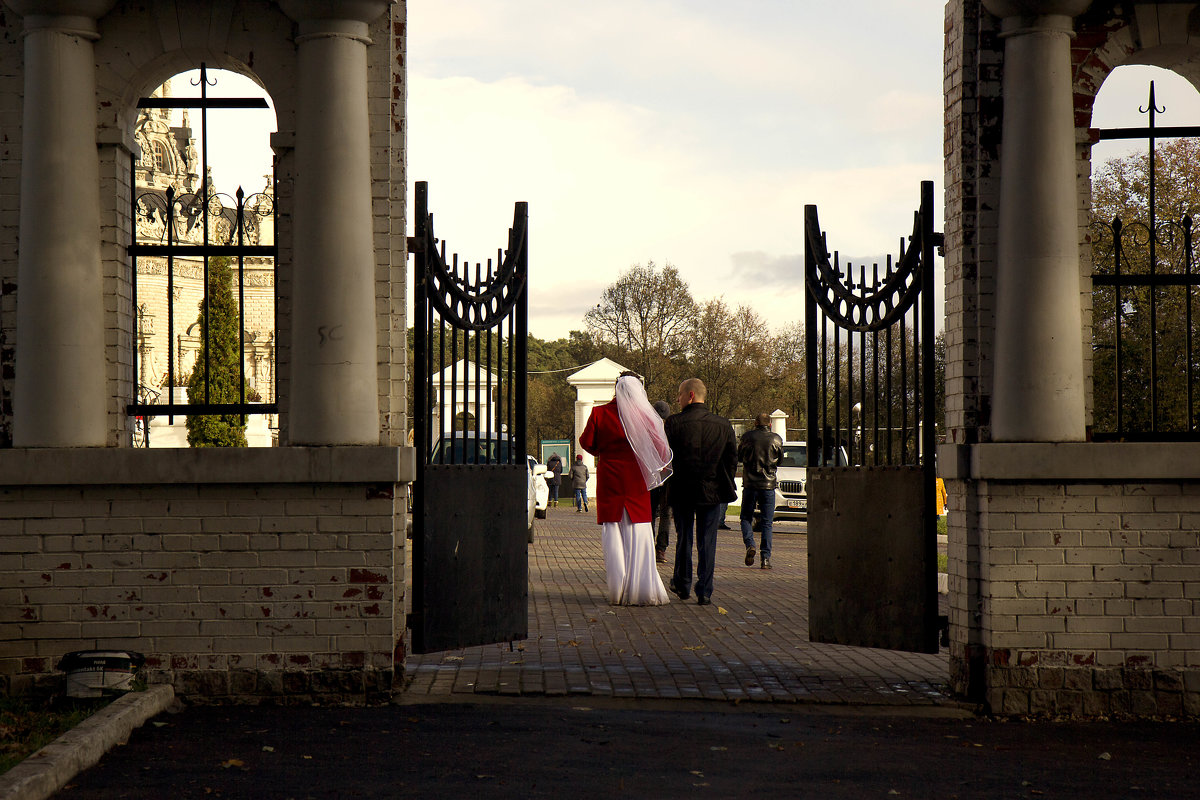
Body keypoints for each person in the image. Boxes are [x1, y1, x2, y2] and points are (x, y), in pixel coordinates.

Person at [580, 372, 674, 605]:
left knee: (613, 532)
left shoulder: (599, 413)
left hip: (610, 479)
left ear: (615, 388)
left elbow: (586, 443)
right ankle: (641, 587)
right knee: (639, 530)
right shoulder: (645, 416)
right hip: (635, 481)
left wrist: (605, 452)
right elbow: (662, 451)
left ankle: (618, 589)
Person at [664, 378, 737, 606]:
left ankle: (682, 583)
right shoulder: (723, 425)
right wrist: (723, 481)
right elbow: (731, 459)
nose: (677, 399)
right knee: (708, 540)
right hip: (712, 489)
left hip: (682, 489)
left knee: (684, 537)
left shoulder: (672, 423)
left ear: (690, 395)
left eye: (679, 394)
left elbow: (665, 458)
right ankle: (705, 590)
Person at [737, 412, 784, 570]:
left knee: (745, 517)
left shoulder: (747, 437)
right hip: (768, 484)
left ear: (755, 423)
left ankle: (750, 544)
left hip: (750, 484)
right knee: (767, 522)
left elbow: (739, 456)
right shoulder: (776, 439)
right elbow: (780, 460)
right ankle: (765, 559)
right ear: (770, 424)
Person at [650, 400, 673, 563]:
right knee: (666, 514)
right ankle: (661, 549)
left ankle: (649, 546)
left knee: (650, 514)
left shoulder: (647, 430)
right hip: (668, 477)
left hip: (651, 477)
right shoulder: (672, 430)